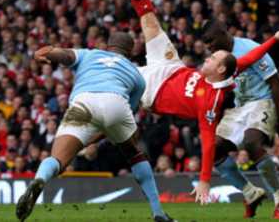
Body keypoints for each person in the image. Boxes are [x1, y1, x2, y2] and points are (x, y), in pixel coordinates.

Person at [113, 0, 279, 205]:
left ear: (220, 69)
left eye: (212, 57)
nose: (206, 57)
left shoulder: (210, 102)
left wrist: (205, 181)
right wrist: (275, 38)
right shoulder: (229, 67)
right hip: (169, 66)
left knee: (111, 81)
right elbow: (250, 57)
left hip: (149, 90)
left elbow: (207, 143)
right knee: (149, 20)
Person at [15, 33, 174, 222]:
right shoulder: (137, 76)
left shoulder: (90, 54)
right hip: (116, 102)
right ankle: (158, 213)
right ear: (130, 51)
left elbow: (65, 55)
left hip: (84, 101)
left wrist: (46, 52)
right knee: (134, 154)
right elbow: (118, 119)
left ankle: (39, 180)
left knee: (57, 159)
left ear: (108, 46)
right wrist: (93, 139)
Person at [201, 22, 279, 219]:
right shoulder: (217, 60)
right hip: (240, 106)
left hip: (263, 101)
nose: (209, 46)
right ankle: (250, 193)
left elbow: (275, 82)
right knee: (213, 149)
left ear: (224, 33)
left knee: (251, 142)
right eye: (206, 43)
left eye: (211, 41)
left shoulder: (249, 48)